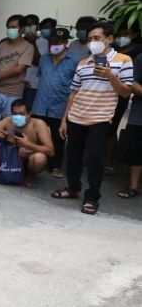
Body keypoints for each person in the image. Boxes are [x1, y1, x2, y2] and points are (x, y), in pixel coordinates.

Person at [52, 21, 133, 215]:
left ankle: (92, 197)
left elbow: (125, 92)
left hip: (100, 117)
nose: (92, 42)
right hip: (76, 116)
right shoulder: (83, 63)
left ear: (109, 39)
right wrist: (65, 119)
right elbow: (73, 93)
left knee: (96, 157)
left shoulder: (123, 60)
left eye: (96, 38)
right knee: (73, 155)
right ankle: (73, 188)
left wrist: (111, 76)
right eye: (90, 39)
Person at [31, 28, 80, 178]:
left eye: (57, 42)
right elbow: (41, 76)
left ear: (65, 43)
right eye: (51, 42)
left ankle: (55, 165)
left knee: (58, 137)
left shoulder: (75, 61)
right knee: (35, 134)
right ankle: (35, 162)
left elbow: (77, 86)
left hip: (60, 105)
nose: (53, 45)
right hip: (40, 104)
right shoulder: (44, 58)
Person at [0, 99, 54, 187]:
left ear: (29, 113)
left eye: (22, 114)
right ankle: (2, 169)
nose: (18, 116)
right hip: (9, 156)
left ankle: (27, 176)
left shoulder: (39, 124)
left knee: (40, 158)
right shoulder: (8, 120)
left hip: (28, 158)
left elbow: (50, 151)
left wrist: (27, 145)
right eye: (15, 114)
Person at [103, 25, 142, 175]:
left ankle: (108, 161)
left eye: (126, 34)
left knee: (112, 128)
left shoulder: (137, 52)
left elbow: (132, 81)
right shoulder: (112, 50)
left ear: (135, 34)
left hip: (121, 94)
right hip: (103, 93)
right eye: (120, 34)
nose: (122, 37)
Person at [0, 15, 34, 124]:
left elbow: (18, 69)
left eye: (13, 27)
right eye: (8, 27)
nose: (10, 30)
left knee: (9, 125)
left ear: (21, 29)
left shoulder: (28, 47)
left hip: (14, 93)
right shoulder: (2, 45)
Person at [118, 53, 142, 199]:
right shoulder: (141, 58)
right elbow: (132, 83)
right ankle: (133, 186)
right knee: (136, 151)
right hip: (139, 115)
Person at [22, 14, 46, 110]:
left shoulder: (44, 42)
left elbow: (38, 62)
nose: (28, 28)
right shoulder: (19, 40)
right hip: (18, 83)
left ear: (37, 26)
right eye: (26, 25)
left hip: (32, 85)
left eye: (31, 25)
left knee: (27, 112)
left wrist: (33, 42)